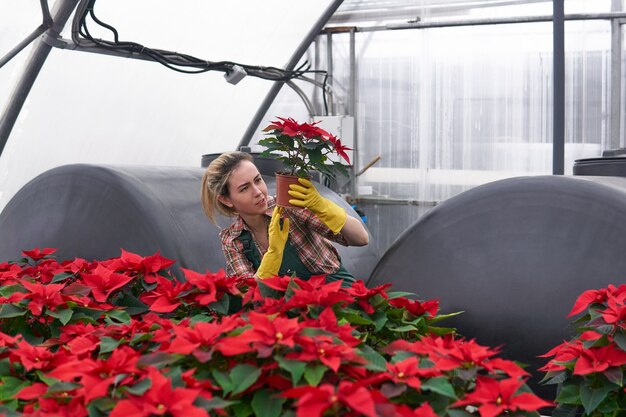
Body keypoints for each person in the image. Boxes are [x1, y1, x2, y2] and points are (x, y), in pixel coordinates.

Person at [201, 151, 369, 284]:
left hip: (338, 299)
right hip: (290, 314)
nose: (258, 191)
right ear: (226, 199)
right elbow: (248, 295)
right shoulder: (232, 240)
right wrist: (273, 255)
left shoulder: (289, 207)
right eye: (244, 188)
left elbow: (361, 239)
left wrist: (324, 206)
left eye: (258, 180)